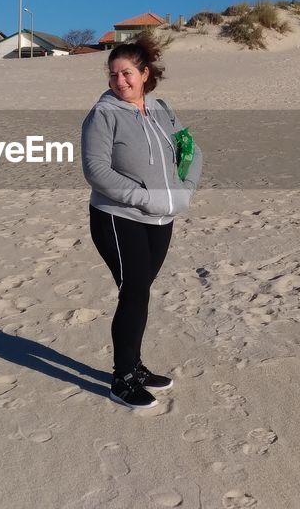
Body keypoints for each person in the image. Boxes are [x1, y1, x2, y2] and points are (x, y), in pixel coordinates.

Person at [81, 34, 202, 409]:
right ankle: (123, 377)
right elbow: (96, 170)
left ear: (145, 74)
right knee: (134, 291)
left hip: (162, 218)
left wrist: (186, 190)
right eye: (114, 74)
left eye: (127, 73)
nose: (120, 81)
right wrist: (145, 198)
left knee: (140, 292)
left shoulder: (163, 109)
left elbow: (191, 151)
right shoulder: (103, 115)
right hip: (118, 217)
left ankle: (134, 365)